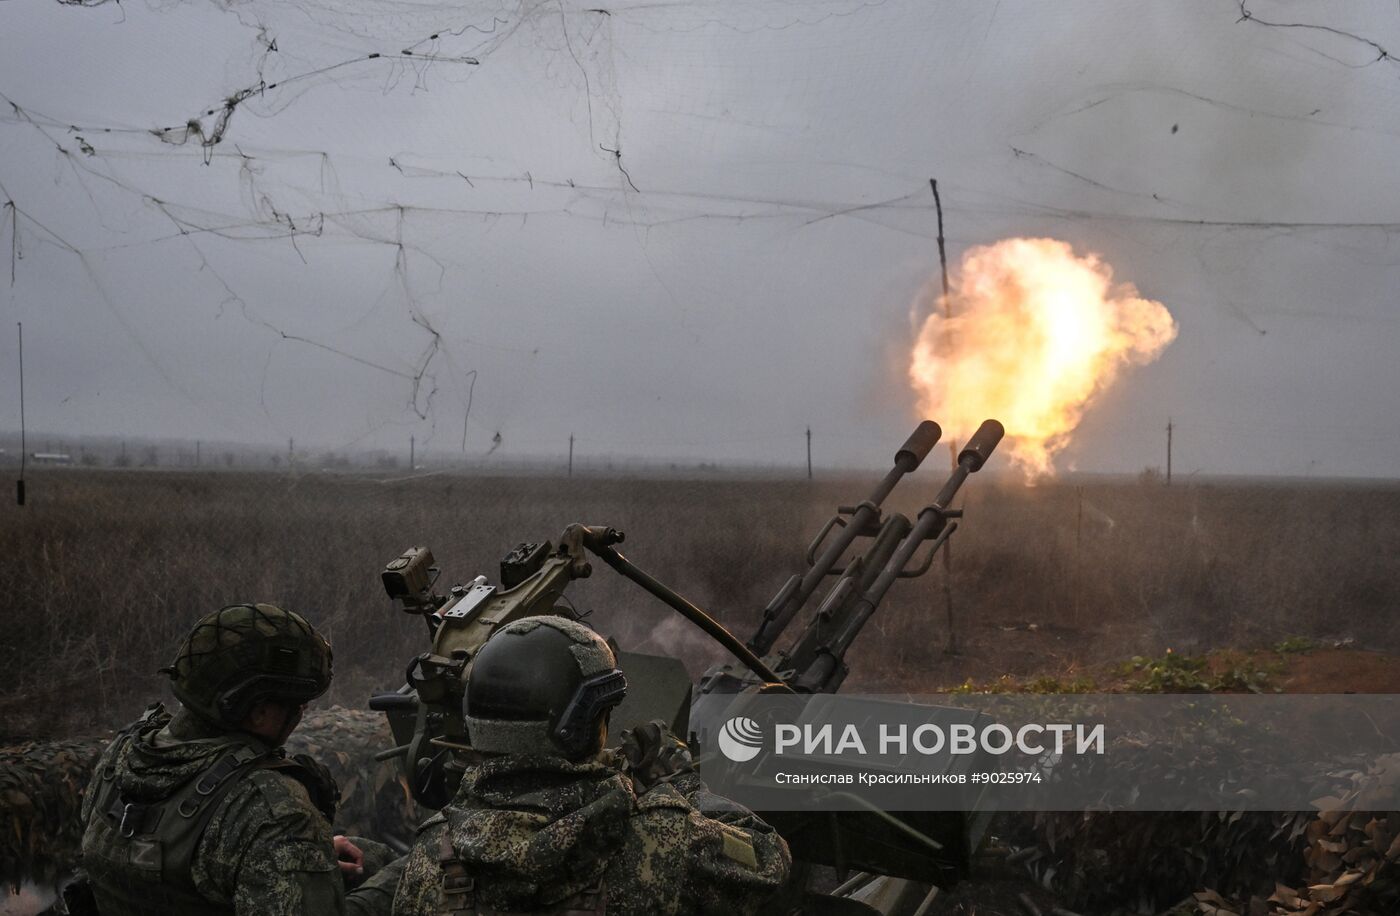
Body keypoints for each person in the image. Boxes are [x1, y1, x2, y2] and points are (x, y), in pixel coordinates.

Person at [391, 616, 791, 916]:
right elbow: (770, 859)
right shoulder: (661, 838)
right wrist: (679, 783)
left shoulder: (432, 854)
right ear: (577, 726)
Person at [76, 603, 402, 916]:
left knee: (369, 855)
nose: (302, 714)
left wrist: (296, 855)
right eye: (298, 705)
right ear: (259, 712)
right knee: (411, 871)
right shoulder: (273, 809)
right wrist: (408, 875)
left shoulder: (123, 755)